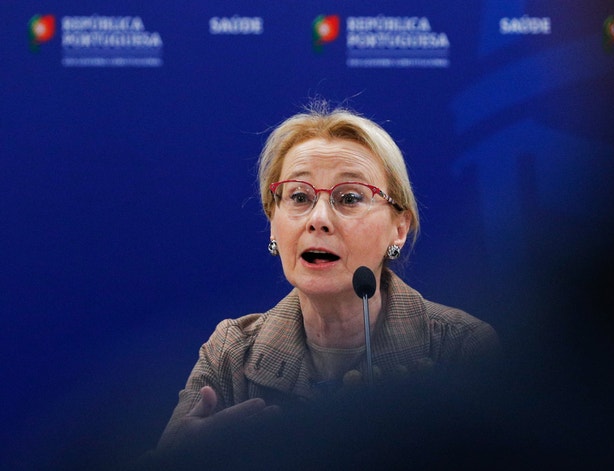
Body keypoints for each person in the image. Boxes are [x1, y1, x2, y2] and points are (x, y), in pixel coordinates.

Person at [147, 101, 501, 467]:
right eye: (299, 197)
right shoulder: (231, 353)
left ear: (398, 229)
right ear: (272, 222)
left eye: (349, 198)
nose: (318, 219)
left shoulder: (460, 347)